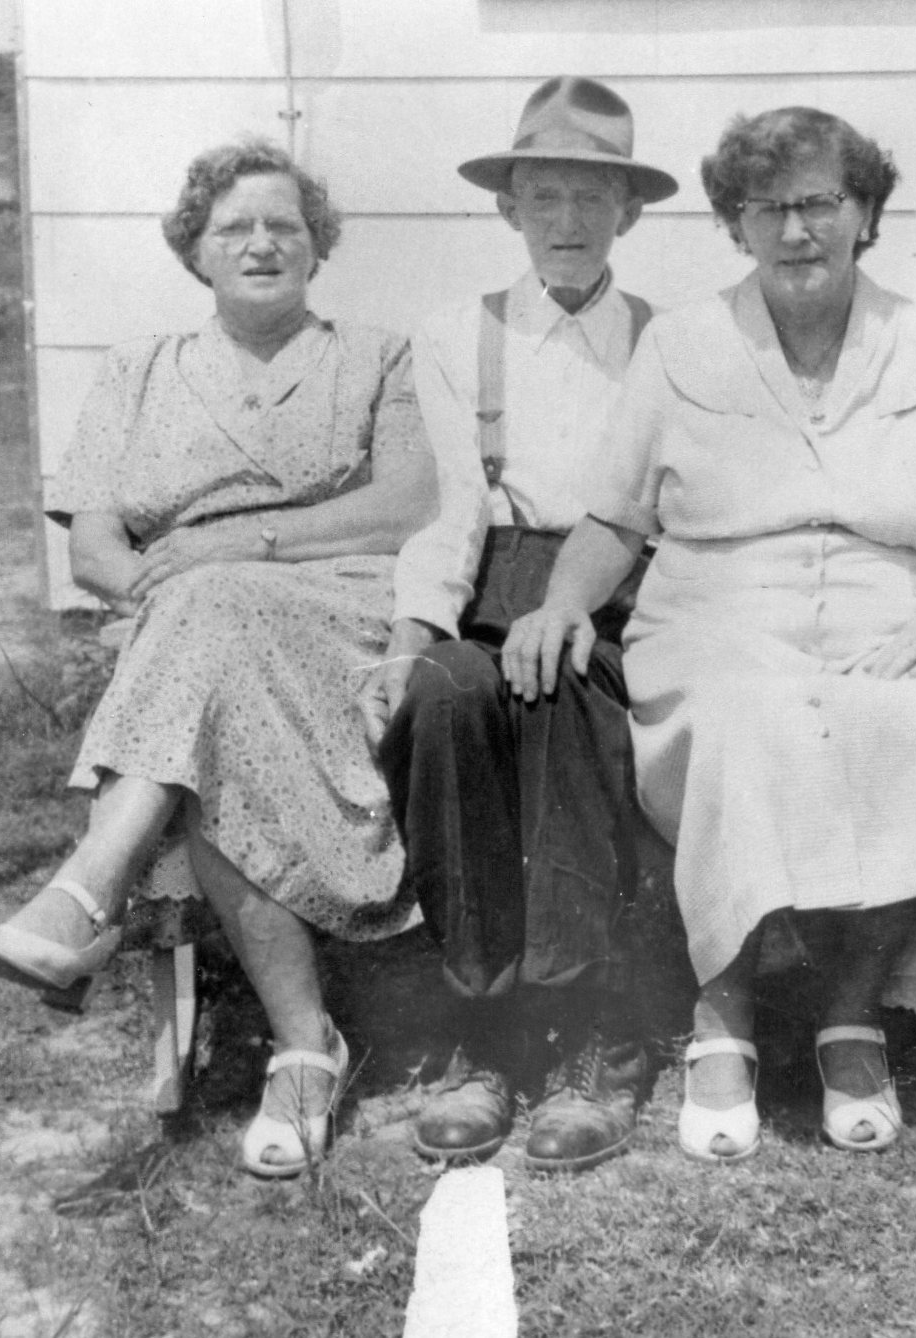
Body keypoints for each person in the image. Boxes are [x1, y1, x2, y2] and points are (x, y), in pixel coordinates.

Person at [503, 106, 916, 1161]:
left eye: (819, 202)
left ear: (865, 211)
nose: (795, 230)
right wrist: (562, 603)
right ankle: (723, 1014)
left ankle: (851, 1017)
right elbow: (614, 518)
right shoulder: (684, 343)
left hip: (880, 607)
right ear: (735, 222)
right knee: (743, 719)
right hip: (717, 608)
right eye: (766, 207)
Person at [0, 140, 435, 1178]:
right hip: (184, 617)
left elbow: (411, 503)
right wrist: (176, 589)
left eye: (284, 225)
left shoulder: (379, 357)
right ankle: (305, 1048)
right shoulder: (136, 370)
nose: (261, 244)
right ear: (195, 249)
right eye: (235, 228)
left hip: (336, 605)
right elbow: (95, 545)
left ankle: (87, 898)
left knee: (209, 618)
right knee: (208, 654)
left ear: (318, 245)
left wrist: (235, 550)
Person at [360, 77, 678, 1172]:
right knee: (448, 700)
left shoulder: (668, 341)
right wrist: (411, 640)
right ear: (509, 209)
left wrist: (580, 609)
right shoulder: (461, 335)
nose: (568, 221)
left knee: (565, 696)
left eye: (592, 197)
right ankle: (486, 1030)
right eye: (545, 197)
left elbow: (668, 506)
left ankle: (596, 1035)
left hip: (629, 605)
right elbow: (452, 508)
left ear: (628, 212)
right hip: (496, 591)